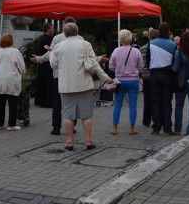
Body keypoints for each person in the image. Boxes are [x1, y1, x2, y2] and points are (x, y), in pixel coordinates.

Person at [50, 23, 113, 151]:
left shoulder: (58, 46)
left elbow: (53, 65)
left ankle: (70, 142)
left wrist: (51, 53)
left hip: (66, 85)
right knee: (86, 114)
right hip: (84, 84)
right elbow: (94, 64)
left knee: (67, 115)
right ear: (77, 32)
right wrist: (105, 78)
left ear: (64, 33)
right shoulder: (85, 44)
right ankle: (88, 141)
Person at [109, 29, 144, 136]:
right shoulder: (136, 51)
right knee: (133, 105)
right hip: (133, 80)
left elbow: (111, 67)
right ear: (131, 39)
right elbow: (141, 66)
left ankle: (114, 128)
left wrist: (118, 69)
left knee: (117, 105)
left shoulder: (116, 51)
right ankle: (131, 128)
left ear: (120, 40)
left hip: (119, 80)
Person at [147, 22, 177, 136]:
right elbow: (175, 61)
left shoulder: (151, 43)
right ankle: (167, 128)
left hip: (154, 74)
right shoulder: (173, 45)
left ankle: (156, 128)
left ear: (158, 31)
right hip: (167, 74)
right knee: (167, 102)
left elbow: (148, 59)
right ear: (169, 32)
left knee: (155, 102)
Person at [0, 34, 25, 131]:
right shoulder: (15, 51)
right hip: (11, 78)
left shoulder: (0, 51)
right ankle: (11, 124)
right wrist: (22, 71)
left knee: (0, 101)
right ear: (11, 41)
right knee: (13, 101)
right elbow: (21, 67)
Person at [35, 22, 55, 108]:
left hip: (46, 63)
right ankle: (46, 101)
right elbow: (48, 52)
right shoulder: (45, 39)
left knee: (44, 82)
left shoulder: (49, 38)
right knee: (47, 83)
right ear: (48, 29)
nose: (53, 29)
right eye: (52, 28)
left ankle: (42, 100)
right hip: (46, 64)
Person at [140, 29, 156, 127]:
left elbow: (140, 64)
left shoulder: (142, 49)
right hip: (155, 76)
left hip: (145, 77)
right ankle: (156, 119)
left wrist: (141, 74)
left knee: (147, 99)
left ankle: (146, 120)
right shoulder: (157, 48)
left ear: (149, 37)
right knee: (156, 99)